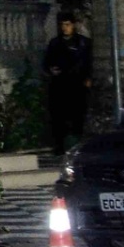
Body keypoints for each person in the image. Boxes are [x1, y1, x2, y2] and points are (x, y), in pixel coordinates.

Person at [43, 14, 92, 154]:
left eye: (68, 24)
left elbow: (87, 62)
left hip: (77, 84)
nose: (65, 28)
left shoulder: (83, 43)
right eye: (63, 25)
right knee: (59, 116)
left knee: (78, 116)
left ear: (73, 25)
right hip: (59, 84)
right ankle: (60, 146)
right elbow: (47, 62)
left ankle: (78, 144)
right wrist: (51, 69)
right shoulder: (55, 43)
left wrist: (87, 78)